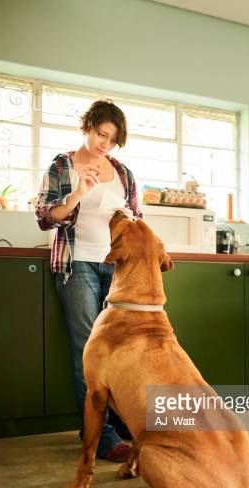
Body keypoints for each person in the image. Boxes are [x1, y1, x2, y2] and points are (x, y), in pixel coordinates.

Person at [35, 99, 142, 462]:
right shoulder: (62, 165)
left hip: (115, 267)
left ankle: (123, 421)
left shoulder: (123, 172)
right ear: (88, 127)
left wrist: (129, 219)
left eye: (112, 140)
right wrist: (78, 194)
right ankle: (101, 435)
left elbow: (136, 218)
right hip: (76, 265)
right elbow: (45, 217)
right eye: (101, 135)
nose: (104, 145)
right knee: (88, 352)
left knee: (122, 350)